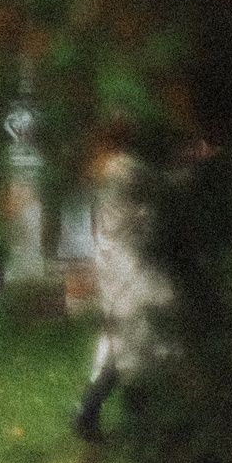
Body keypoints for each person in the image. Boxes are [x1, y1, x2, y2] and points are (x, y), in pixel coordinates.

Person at [74, 148, 167, 443]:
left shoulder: (117, 170)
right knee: (136, 341)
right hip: (127, 266)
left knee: (128, 342)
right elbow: (154, 200)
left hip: (122, 263)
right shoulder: (123, 169)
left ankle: (92, 414)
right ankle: (106, 416)